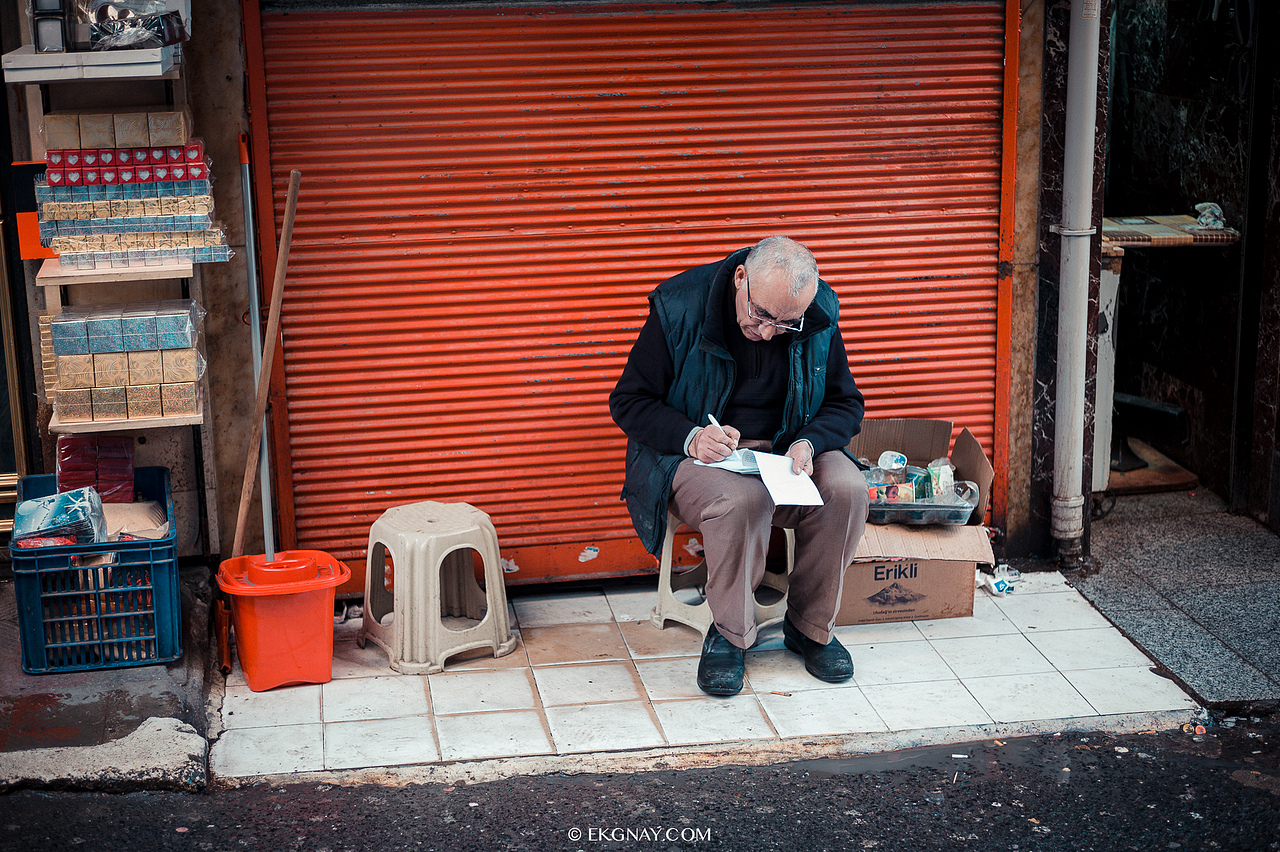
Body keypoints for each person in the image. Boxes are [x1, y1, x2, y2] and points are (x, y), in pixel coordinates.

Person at [610, 235, 870, 696]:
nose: (769, 332)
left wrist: (811, 442)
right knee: (742, 499)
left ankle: (811, 627)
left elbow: (845, 403)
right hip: (694, 454)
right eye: (761, 315)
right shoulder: (679, 305)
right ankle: (730, 634)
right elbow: (629, 401)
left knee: (847, 489)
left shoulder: (818, 311)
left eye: (786, 325)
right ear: (740, 278)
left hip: (788, 449)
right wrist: (691, 437)